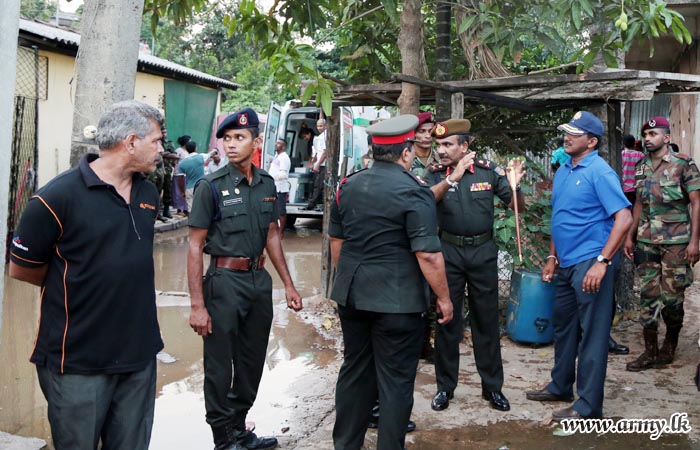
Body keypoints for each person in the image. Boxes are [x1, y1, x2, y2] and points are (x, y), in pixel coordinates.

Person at [8, 100, 165, 450]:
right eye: (156, 140)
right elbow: (23, 269)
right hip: (77, 359)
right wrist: (82, 287)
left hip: (138, 354)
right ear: (131, 142)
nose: (161, 149)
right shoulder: (55, 198)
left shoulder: (148, 193)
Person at [329, 115, 453, 450]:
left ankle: (345, 445)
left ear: (374, 150)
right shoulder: (415, 192)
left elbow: (337, 242)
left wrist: (353, 280)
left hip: (353, 298)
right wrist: (444, 298)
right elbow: (428, 255)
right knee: (395, 381)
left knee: (355, 371)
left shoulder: (348, 186)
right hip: (398, 304)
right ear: (407, 152)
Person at [187, 107, 303, 450]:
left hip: (258, 281)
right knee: (220, 366)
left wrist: (288, 284)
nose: (231, 144)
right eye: (227, 138)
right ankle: (223, 439)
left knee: (252, 361)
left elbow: (272, 235)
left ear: (256, 142)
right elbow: (194, 246)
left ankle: (238, 428)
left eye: (239, 137)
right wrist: (197, 305)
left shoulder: (266, 183)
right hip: (223, 282)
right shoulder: (210, 186)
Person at [526, 111, 632, 421]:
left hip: (591, 261)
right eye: (567, 132)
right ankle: (560, 386)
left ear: (592, 141)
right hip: (566, 263)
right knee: (564, 328)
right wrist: (552, 257)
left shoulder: (600, 172)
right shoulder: (563, 171)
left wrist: (602, 262)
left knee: (593, 335)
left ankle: (588, 406)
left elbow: (624, 218)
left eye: (575, 133)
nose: (567, 137)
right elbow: (559, 217)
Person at [428, 119, 525, 413]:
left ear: (465, 146)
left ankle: (492, 387)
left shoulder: (488, 171)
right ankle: (445, 388)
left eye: (448, 144)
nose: (441, 150)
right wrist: (453, 178)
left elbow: (517, 206)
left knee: (486, 321)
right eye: (439, 145)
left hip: (483, 253)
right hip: (448, 253)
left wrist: (516, 186)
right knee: (447, 321)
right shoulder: (436, 174)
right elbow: (426, 201)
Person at [623, 116, 700, 372]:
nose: (647, 138)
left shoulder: (683, 164)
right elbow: (638, 203)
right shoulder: (641, 167)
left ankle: (670, 345)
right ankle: (650, 351)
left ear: (666, 138)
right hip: (647, 241)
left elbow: (697, 202)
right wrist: (630, 236)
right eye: (645, 135)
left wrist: (694, 242)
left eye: (653, 134)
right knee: (648, 295)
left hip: (676, 243)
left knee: (672, 297)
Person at [179, 141, 218, 212]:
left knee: (191, 210)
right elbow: (211, 154)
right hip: (200, 186)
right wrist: (215, 150)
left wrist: (182, 191)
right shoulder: (201, 157)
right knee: (201, 209)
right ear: (196, 148)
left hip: (189, 188)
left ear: (186, 149)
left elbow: (180, 179)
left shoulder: (182, 163)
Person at [269, 138, 291, 233]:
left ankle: (281, 233)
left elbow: (283, 174)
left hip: (280, 189)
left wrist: (271, 178)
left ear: (283, 147)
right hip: (274, 188)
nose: (275, 144)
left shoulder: (284, 157)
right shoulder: (277, 156)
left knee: (281, 211)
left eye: (278, 143)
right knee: (273, 211)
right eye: (276, 143)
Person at [304, 118, 327, 210]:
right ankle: (315, 203)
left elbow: (325, 152)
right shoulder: (320, 137)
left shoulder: (325, 136)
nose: (319, 128)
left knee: (318, 185)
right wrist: (313, 162)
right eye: (318, 126)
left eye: (321, 126)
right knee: (317, 184)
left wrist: (317, 164)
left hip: (324, 165)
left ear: (326, 125)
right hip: (319, 164)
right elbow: (318, 152)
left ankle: (312, 204)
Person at [621, 134, 645, 205]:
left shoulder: (620, 155)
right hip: (637, 189)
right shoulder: (641, 155)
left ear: (624, 144)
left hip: (623, 189)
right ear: (634, 144)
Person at [172, 135, 191, 214]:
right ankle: (179, 209)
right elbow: (173, 162)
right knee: (178, 192)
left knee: (185, 192)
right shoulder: (178, 150)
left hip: (186, 174)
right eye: (189, 141)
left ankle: (185, 209)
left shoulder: (188, 152)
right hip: (179, 174)